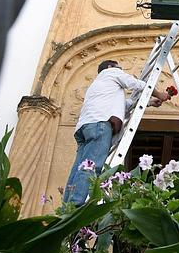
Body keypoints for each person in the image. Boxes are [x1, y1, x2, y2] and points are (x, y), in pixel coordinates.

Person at [63, 60, 170, 206]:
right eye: (118, 66)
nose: (120, 69)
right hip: (100, 125)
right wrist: (160, 94)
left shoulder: (98, 85)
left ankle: (67, 205)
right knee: (92, 166)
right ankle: (76, 205)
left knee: (79, 167)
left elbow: (123, 105)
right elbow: (135, 83)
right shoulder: (111, 72)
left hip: (85, 127)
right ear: (109, 67)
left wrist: (150, 102)